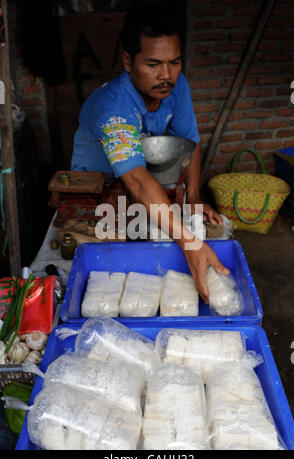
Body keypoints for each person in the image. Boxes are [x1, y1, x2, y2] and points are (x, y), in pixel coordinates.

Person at [71, 2, 229, 303]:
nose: (166, 75)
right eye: (153, 64)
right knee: (104, 271)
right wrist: (190, 242)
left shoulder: (177, 87)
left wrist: (193, 200)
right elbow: (138, 181)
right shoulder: (114, 107)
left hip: (138, 188)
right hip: (97, 190)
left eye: (174, 62)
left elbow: (189, 143)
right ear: (128, 61)